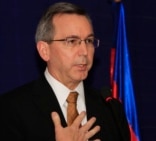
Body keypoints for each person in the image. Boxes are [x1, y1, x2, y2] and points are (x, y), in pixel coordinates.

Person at [0, 2, 130, 141]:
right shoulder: (10, 110)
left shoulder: (111, 109)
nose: (84, 52)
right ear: (45, 51)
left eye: (89, 40)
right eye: (72, 41)